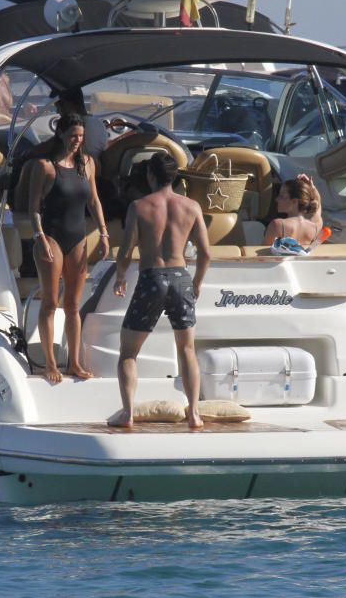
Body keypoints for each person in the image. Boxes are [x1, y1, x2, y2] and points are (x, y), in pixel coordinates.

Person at [110, 152, 211, 430]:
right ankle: (194, 414)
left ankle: (128, 413)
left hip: (152, 278)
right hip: (180, 279)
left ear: (151, 176)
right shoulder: (191, 207)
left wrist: (120, 275)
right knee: (187, 350)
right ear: (175, 176)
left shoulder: (139, 206)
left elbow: (126, 251)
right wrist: (197, 282)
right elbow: (205, 253)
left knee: (128, 353)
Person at [28, 114, 110, 383]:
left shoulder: (87, 164)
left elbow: (95, 202)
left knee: (73, 305)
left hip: (78, 238)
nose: (78, 141)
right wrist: (39, 237)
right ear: (61, 134)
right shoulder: (45, 167)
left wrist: (104, 233)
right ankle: (50, 363)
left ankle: (74, 362)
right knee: (51, 303)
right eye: (73, 135)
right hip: (50, 237)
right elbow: (33, 208)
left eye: (81, 137)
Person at [262, 173, 323, 246]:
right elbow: (317, 202)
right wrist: (312, 188)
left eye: (281, 196)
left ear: (294, 201)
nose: (277, 199)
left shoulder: (277, 225)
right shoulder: (316, 226)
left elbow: (264, 255)